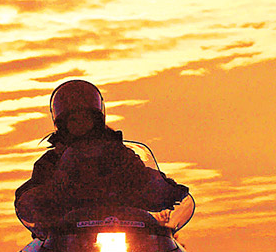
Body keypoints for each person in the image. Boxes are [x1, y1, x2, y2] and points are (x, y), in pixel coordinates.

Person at [13, 80, 190, 228]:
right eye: (74, 119)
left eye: (85, 118)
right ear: (62, 123)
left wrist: (167, 189)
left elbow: (142, 175)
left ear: (96, 120)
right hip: (67, 238)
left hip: (126, 228)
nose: (80, 124)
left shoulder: (119, 154)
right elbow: (32, 192)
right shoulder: (51, 161)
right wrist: (36, 199)